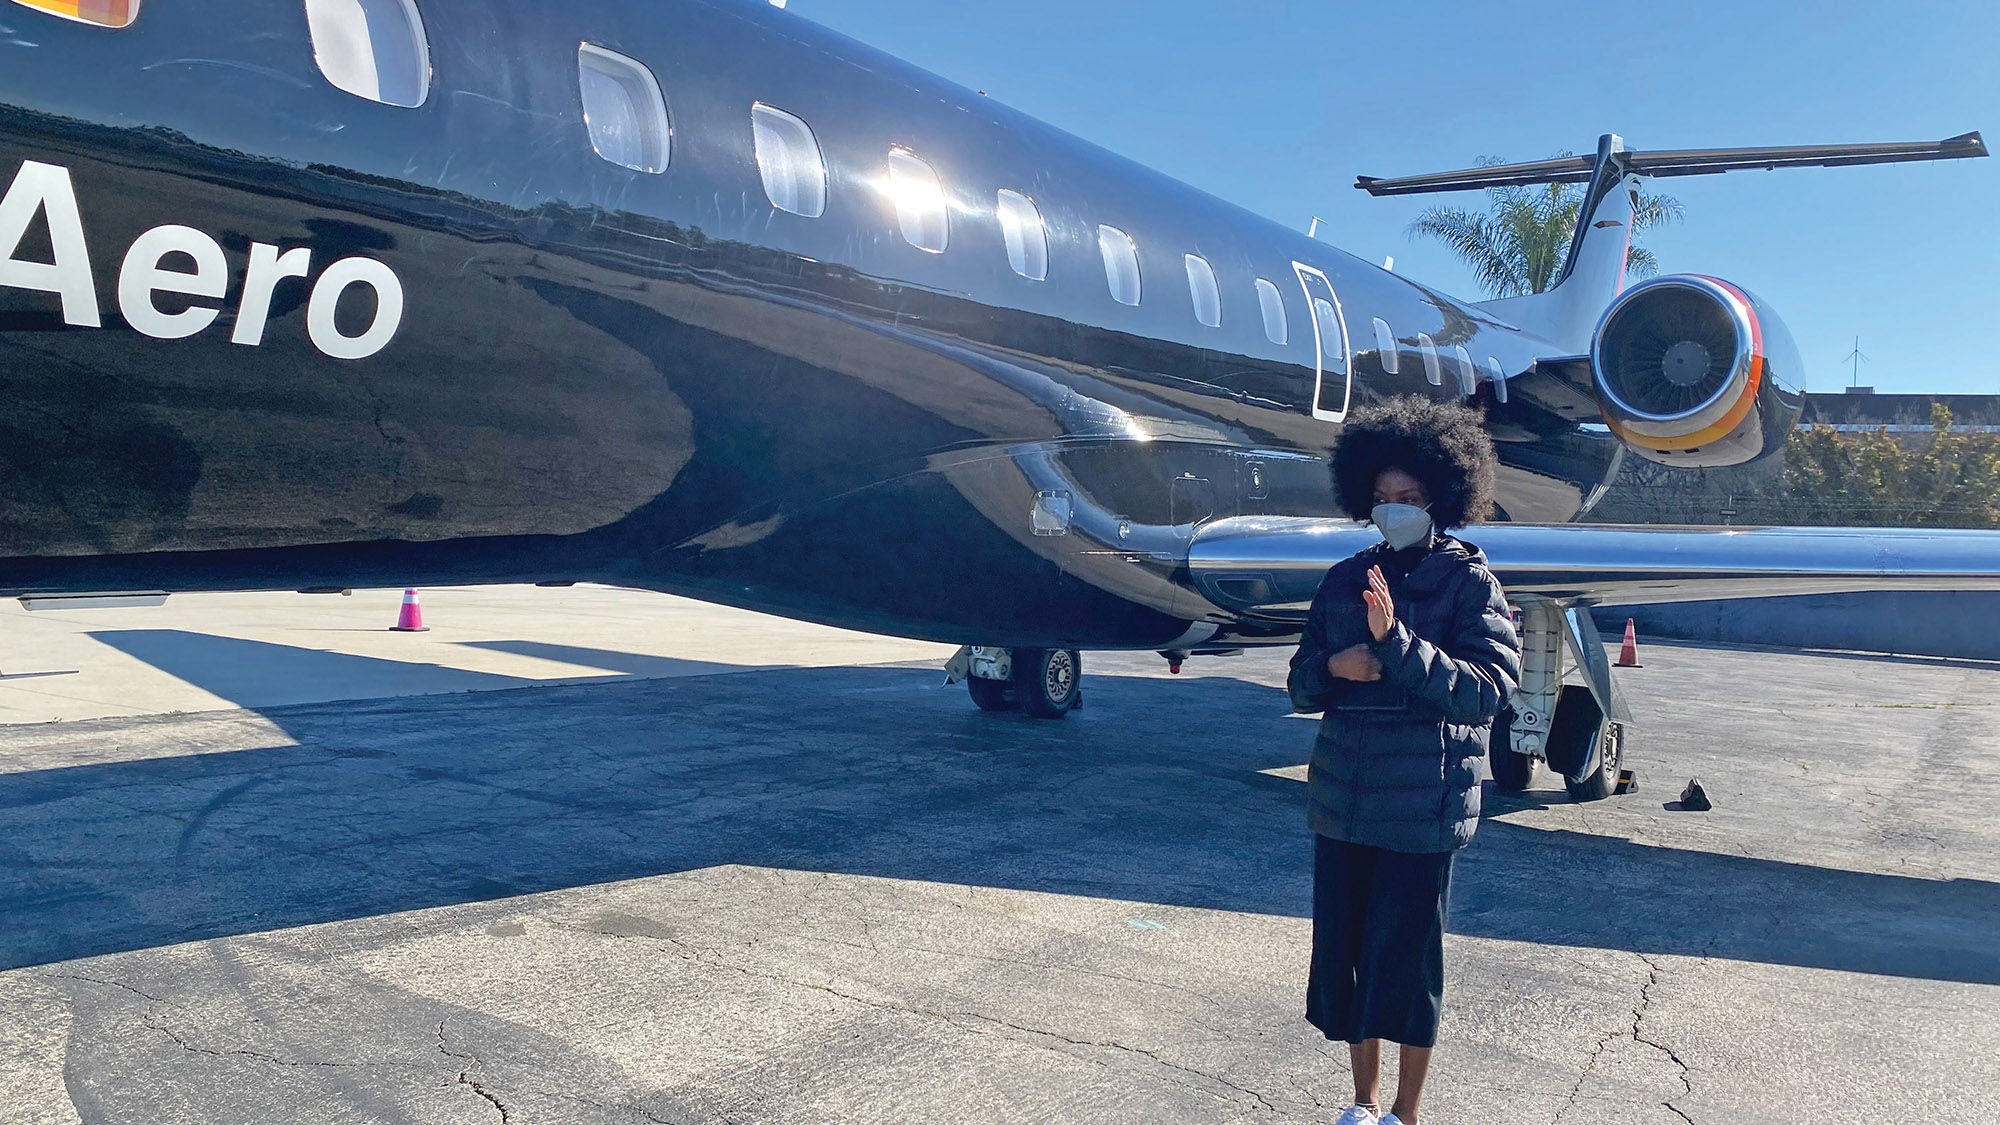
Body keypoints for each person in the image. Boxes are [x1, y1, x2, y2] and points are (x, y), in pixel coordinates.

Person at [1287, 397, 1522, 1125]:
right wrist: (1340, 664)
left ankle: (1406, 1112)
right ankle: (1361, 1103)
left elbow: (1487, 688)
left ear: (1443, 498)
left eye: (1410, 500)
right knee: (1351, 960)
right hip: (1346, 803)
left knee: (1410, 969)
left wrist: (1397, 647)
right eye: (1383, 499)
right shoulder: (1343, 577)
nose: (1395, 511)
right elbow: (1300, 681)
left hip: (1422, 809)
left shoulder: (1470, 582)